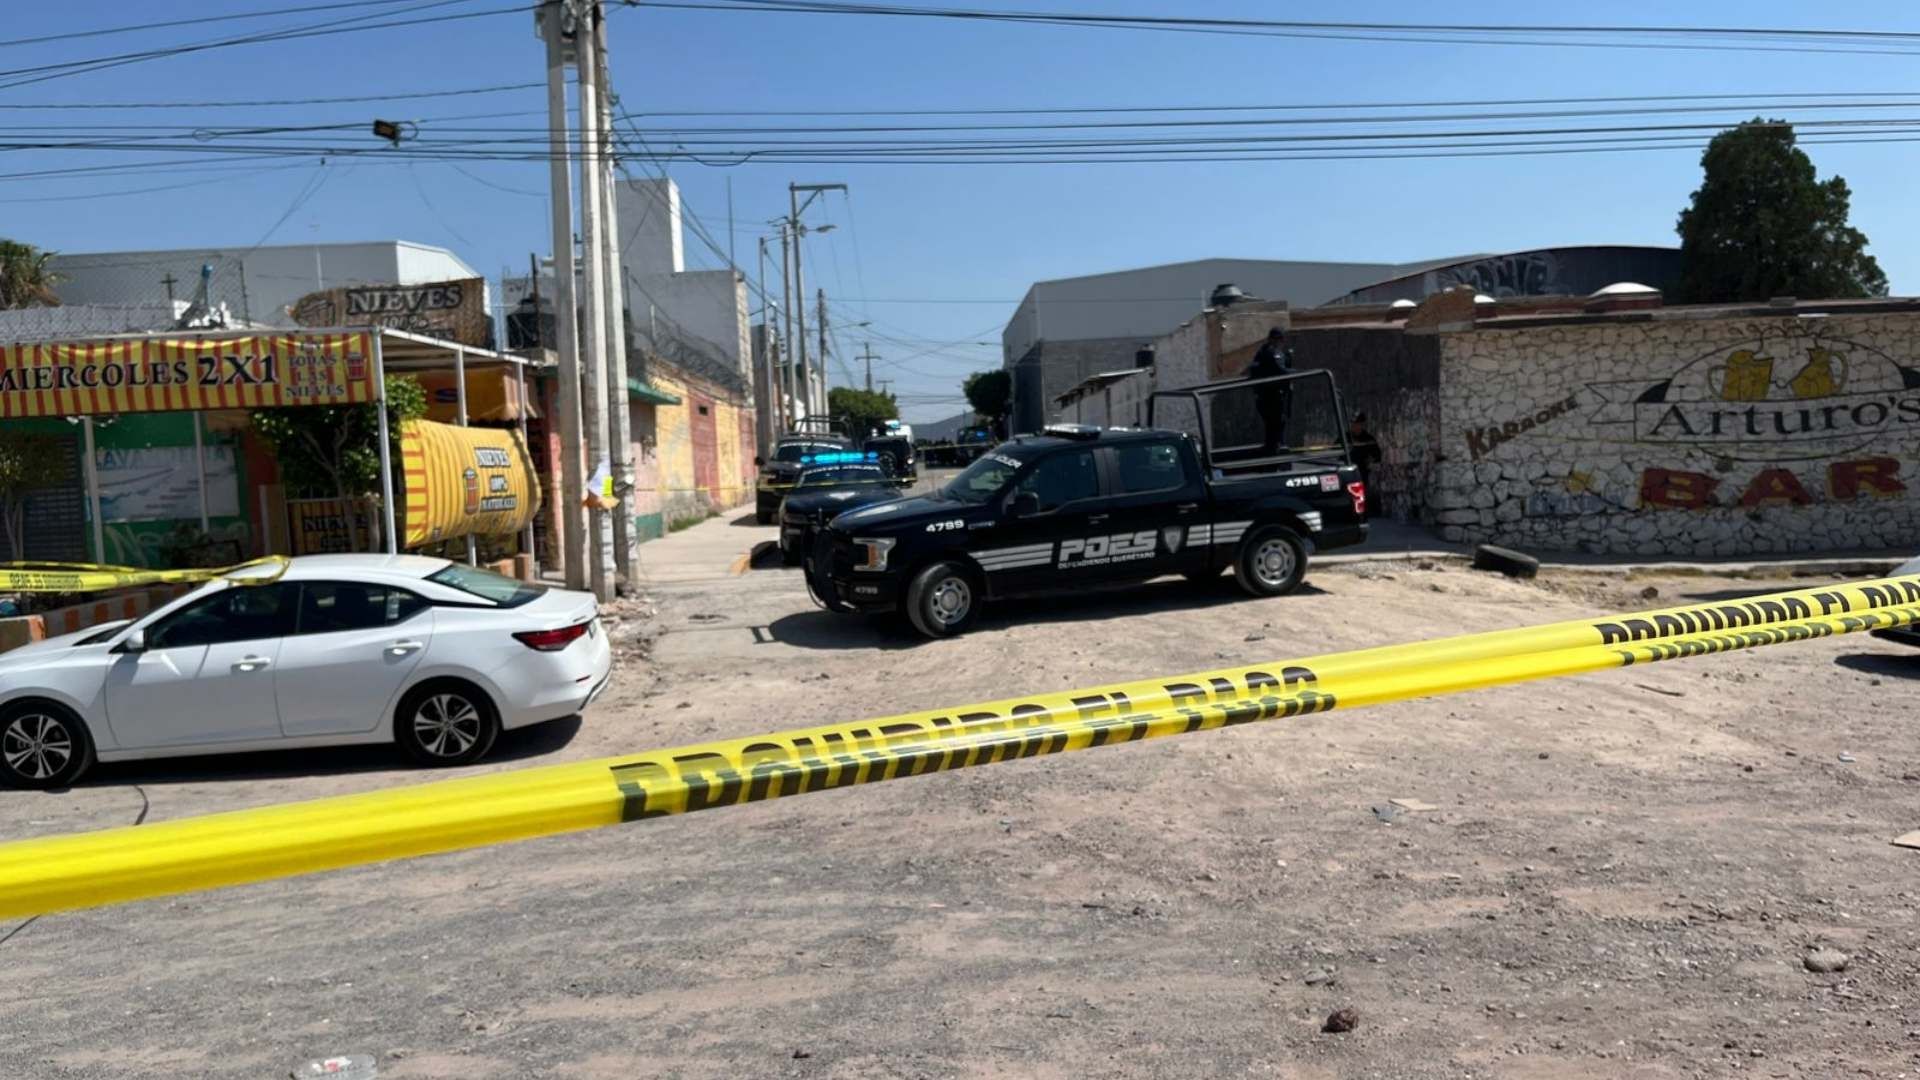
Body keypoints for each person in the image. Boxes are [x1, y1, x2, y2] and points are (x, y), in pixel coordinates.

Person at [1247, 326, 1293, 455]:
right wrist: (1300, 373)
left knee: (1273, 431)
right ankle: (1276, 458)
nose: (1282, 342)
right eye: (1281, 339)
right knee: (1276, 430)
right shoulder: (1272, 352)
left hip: (1268, 398)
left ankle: (1274, 454)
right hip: (1272, 398)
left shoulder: (1264, 351)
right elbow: (1280, 371)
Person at [1348, 411, 1383, 496]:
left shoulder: (1368, 439)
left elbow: (1377, 456)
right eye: (1353, 423)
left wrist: (1370, 462)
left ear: (1362, 425)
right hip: (1348, 475)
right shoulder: (1345, 438)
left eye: (1357, 424)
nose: (1355, 426)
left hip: (1363, 475)